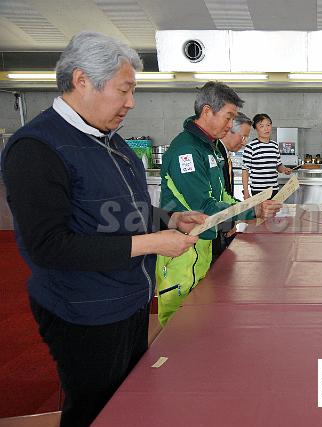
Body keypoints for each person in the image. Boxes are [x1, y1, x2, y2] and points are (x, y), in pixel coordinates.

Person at [0, 32, 206, 427]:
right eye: (124, 90)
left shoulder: (110, 141)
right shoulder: (37, 148)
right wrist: (151, 243)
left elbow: (121, 210)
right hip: (85, 310)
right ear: (82, 81)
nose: (131, 102)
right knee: (96, 410)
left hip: (128, 300)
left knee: (128, 400)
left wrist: (169, 219)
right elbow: (49, 247)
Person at [157, 83, 281, 325]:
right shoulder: (187, 151)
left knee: (202, 320)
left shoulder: (209, 148)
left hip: (202, 246)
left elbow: (222, 196)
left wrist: (250, 206)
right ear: (207, 111)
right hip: (181, 251)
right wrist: (251, 210)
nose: (230, 124)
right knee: (178, 327)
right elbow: (203, 207)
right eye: (228, 117)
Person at [212, 111, 253, 258]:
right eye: (243, 137)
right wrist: (228, 222)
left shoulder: (225, 154)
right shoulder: (215, 154)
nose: (244, 142)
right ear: (228, 130)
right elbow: (217, 196)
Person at [242, 113, 292, 198]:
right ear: (256, 128)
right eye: (261, 126)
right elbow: (245, 170)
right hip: (258, 191)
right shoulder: (250, 147)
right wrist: (246, 192)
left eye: (268, 125)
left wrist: (284, 169)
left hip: (274, 190)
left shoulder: (275, 146)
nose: (266, 129)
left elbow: (278, 166)